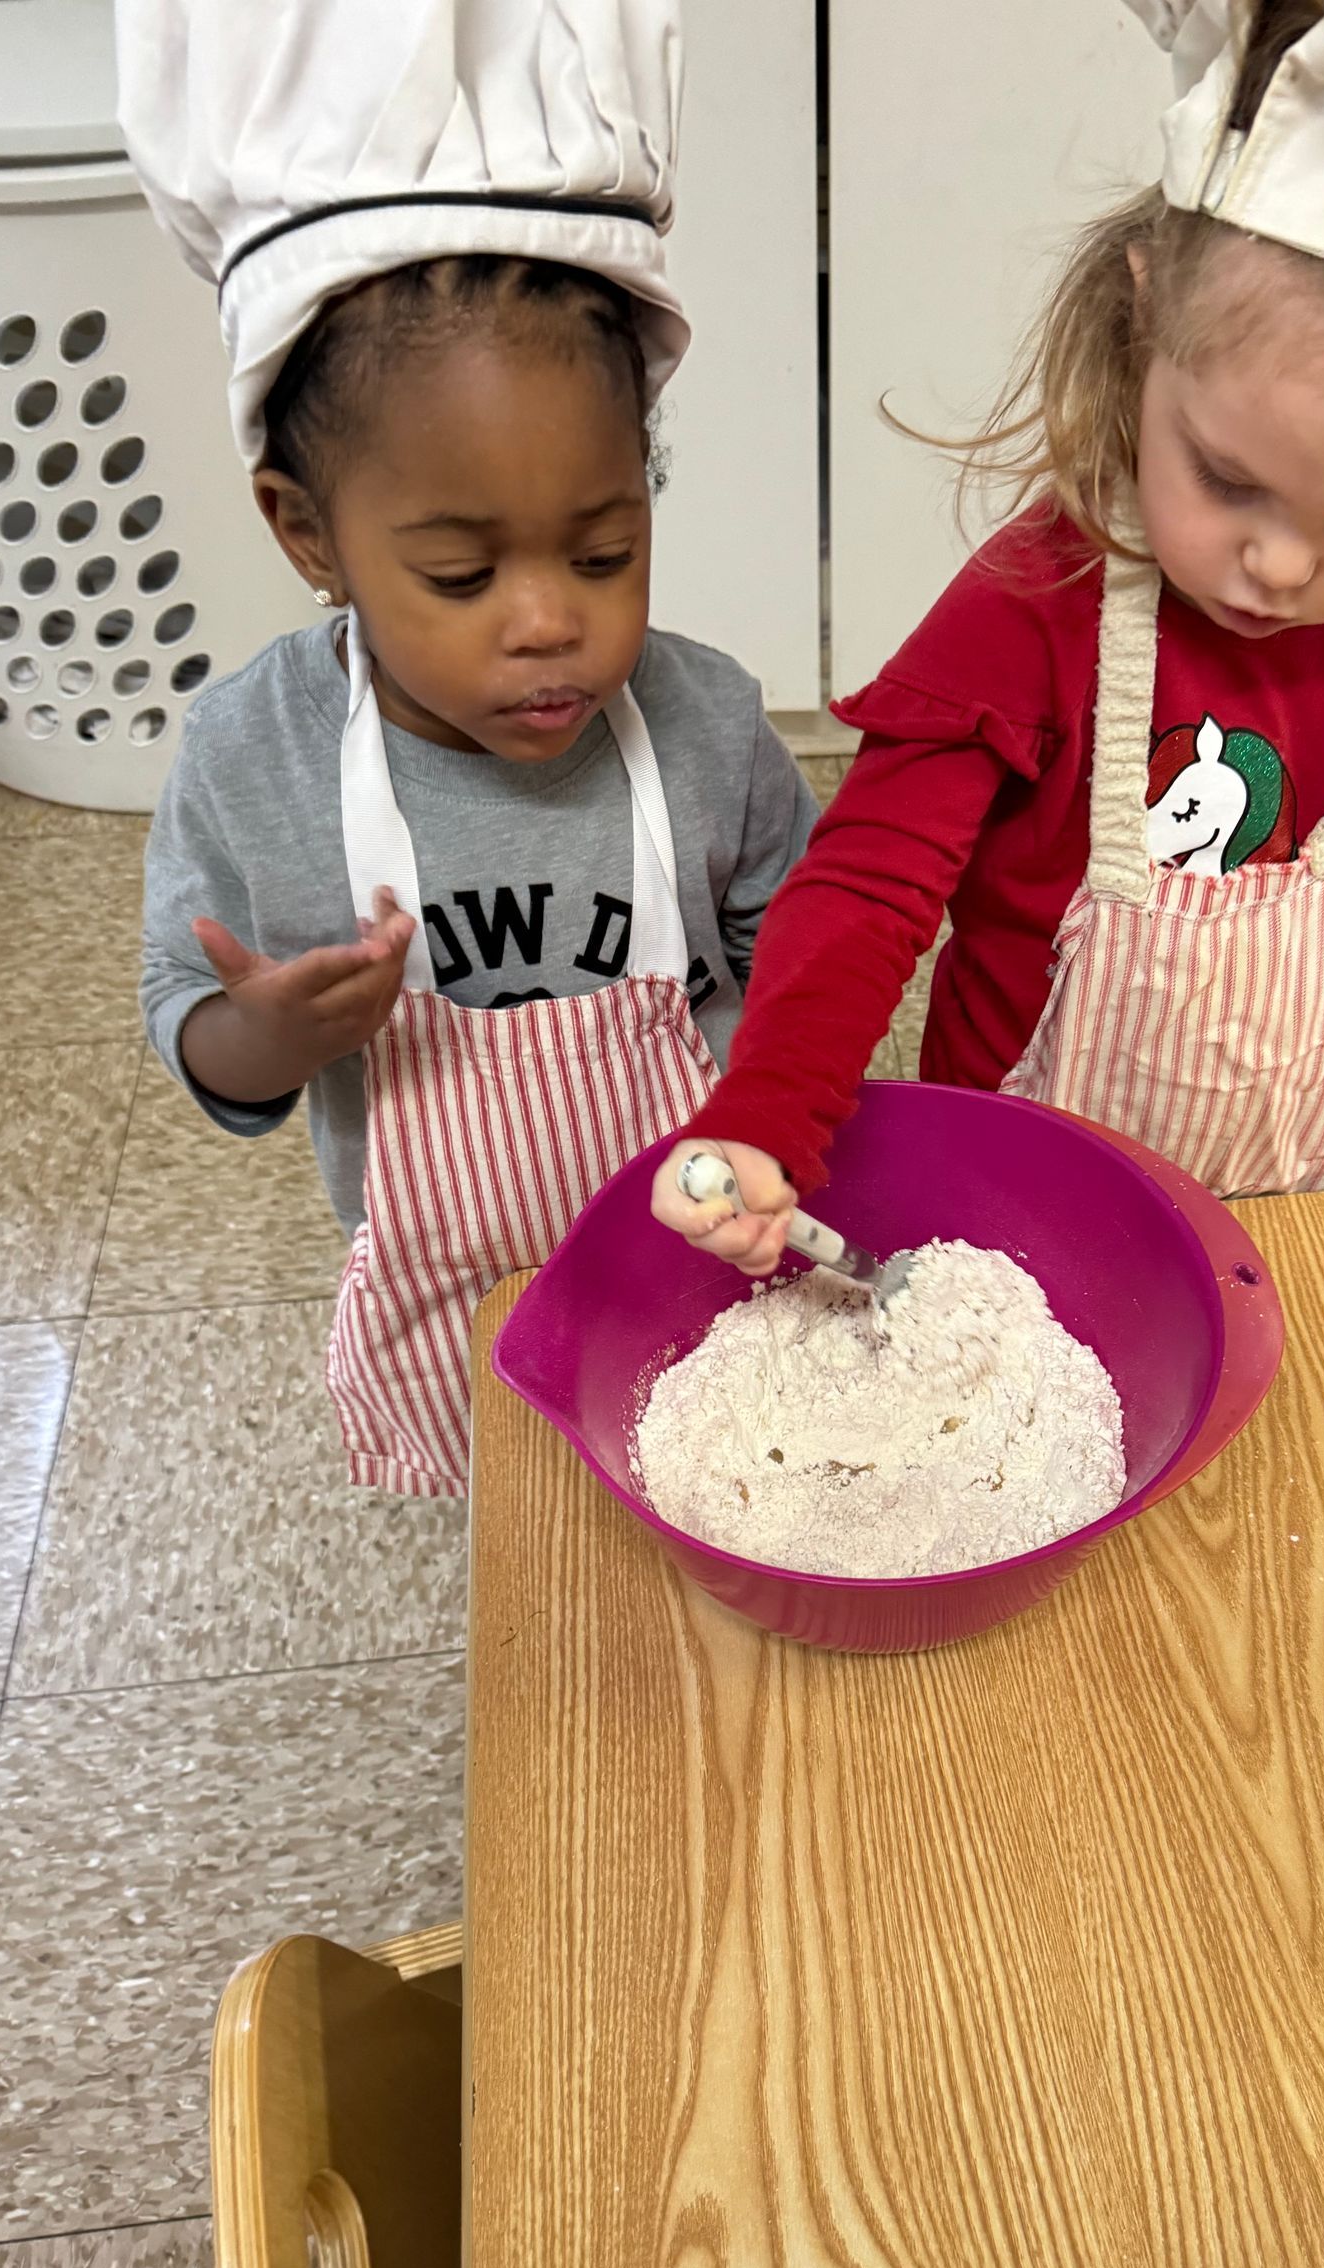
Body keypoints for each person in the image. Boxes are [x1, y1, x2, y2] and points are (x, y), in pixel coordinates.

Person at [654, 0, 1324, 1279]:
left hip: (1296, 1184)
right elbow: (870, 884)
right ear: (1140, 329)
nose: (1281, 567)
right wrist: (772, 1109)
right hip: (1021, 1171)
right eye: (1227, 480)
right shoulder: (1034, 604)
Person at [121, 0, 816, 1497]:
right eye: (458, 575)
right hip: (457, 1291)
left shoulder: (703, 725)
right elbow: (198, 1031)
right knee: (532, 1541)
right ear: (308, 532)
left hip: (699, 1249)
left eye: (605, 549)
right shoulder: (256, 756)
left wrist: (771, 1101)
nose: (545, 624)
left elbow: (795, 952)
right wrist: (282, 1036)